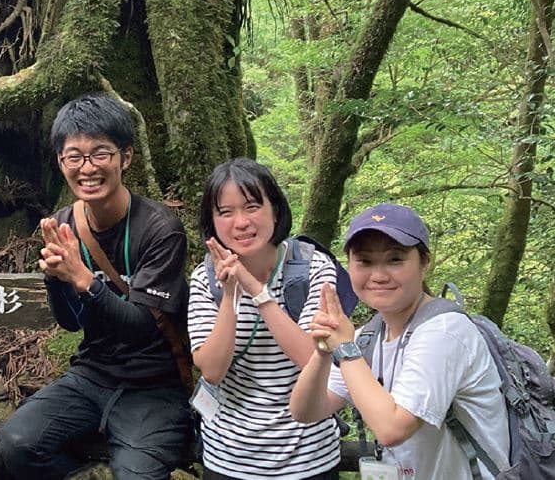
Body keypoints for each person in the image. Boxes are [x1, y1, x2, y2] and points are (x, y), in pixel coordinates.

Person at [0, 93, 193, 479]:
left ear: (126, 157)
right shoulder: (64, 223)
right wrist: (57, 281)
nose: (87, 168)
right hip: (92, 374)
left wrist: (83, 279)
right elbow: (70, 324)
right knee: (17, 443)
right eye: (74, 156)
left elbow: (139, 325)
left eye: (100, 153)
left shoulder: (159, 229)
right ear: (61, 162)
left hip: (154, 383)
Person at [290, 203, 509, 480]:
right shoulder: (369, 337)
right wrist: (323, 351)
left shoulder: (445, 331)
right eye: (365, 262)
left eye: (395, 259)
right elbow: (305, 411)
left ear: (424, 262)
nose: (379, 276)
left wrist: (344, 349)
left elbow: (392, 428)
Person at [187, 157, 340, 480]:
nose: (240, 222)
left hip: (309, 457)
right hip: (229, 459)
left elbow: (312, 358)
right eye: (225, 212)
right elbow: (212, 371)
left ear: (275, 209)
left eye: (252, 206)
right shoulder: (205, 278)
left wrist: (256, 290)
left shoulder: (313, 268)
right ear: (211, 222)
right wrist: (229, 295)